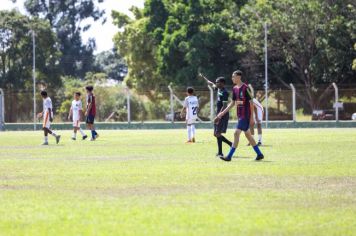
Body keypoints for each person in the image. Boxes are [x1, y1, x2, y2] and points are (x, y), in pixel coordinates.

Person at [215, 70, 264, 161]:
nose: (232, 78)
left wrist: (252, 118)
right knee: (248, 135)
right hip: (240, 115)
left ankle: (229, 156)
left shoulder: (246, 88)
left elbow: (251, 103)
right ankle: (259, 154)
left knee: (236, 133)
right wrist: (222, 113)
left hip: (245, 116)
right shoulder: (234, 89)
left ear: (238, 77)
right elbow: (232, 103)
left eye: (233, 76)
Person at [200, 74, 232, 157]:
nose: (216, 83)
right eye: (216, 82)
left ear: (222, 83)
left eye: (218, 82)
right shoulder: (219, 89)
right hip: (218, 113)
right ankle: (220, 152)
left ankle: (230, 144)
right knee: (216, 133)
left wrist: (219, 116)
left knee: (217, 133)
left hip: (222, 114)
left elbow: (224, 106)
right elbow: (211, 84)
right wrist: (204, 78)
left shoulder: (224, 92)